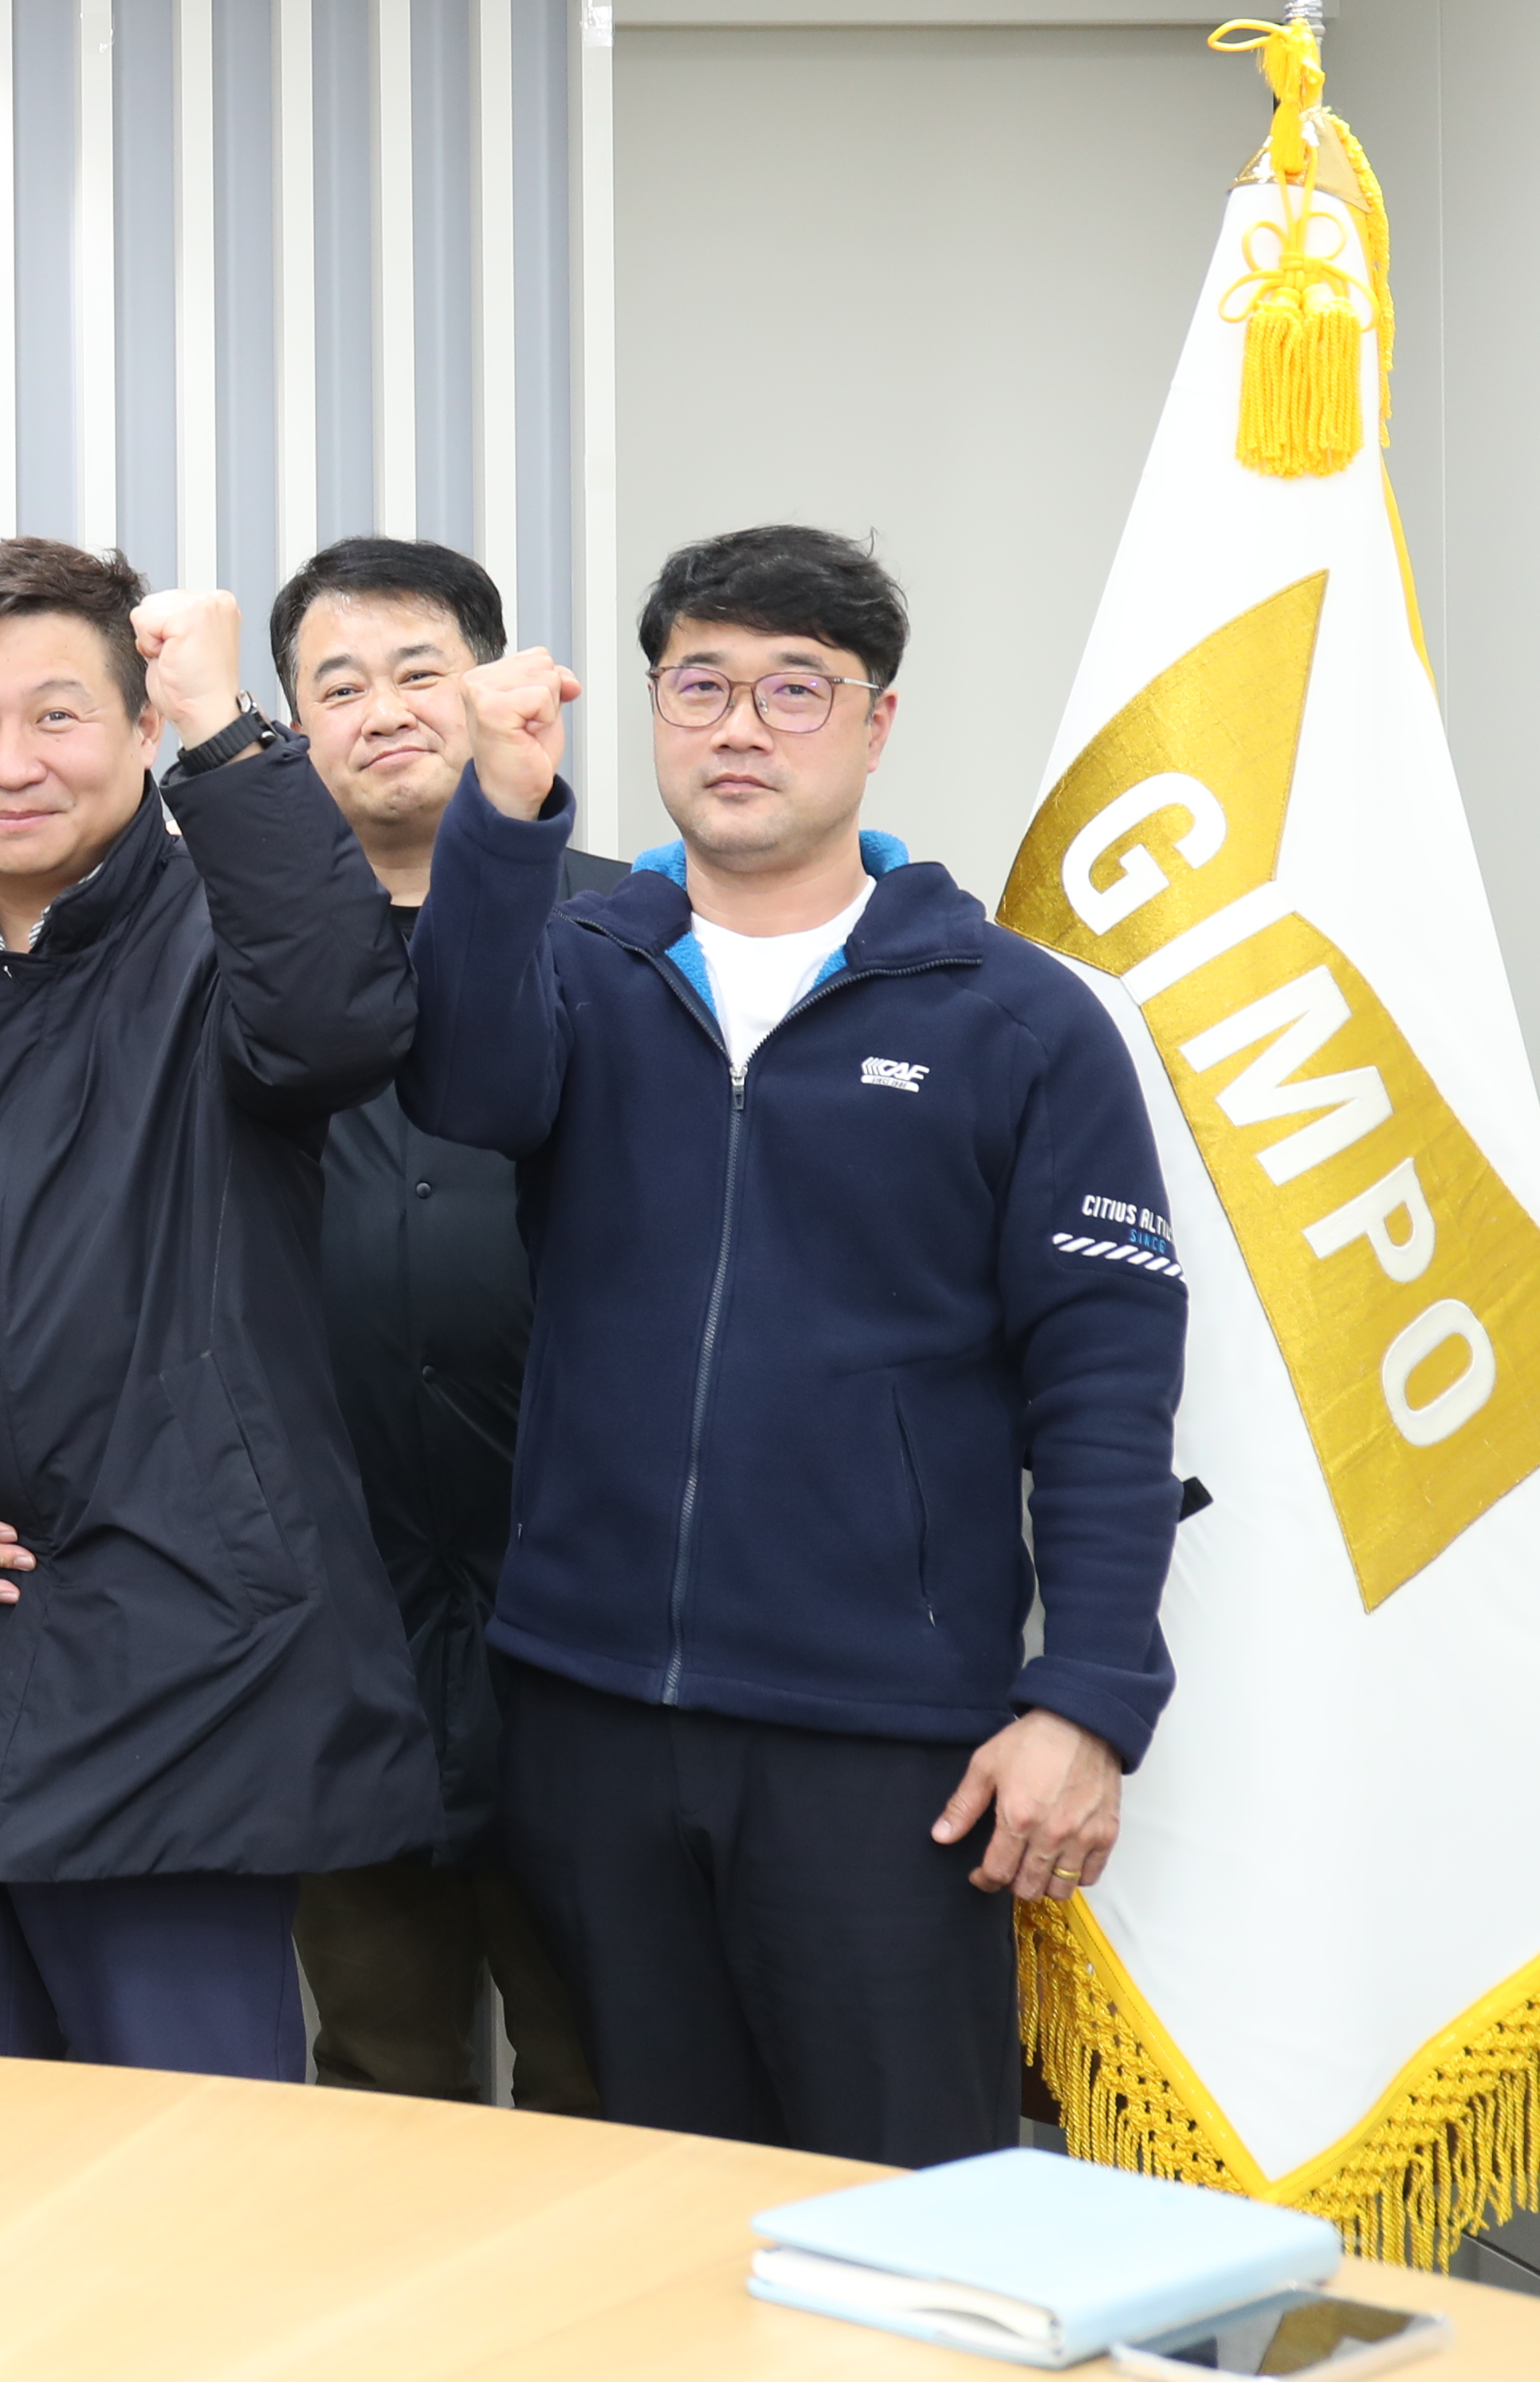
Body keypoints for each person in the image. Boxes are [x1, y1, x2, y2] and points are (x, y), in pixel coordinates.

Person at [406, 524, 1186, 2166]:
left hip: (885, 1743)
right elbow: (462, 1085)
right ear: (654, 711)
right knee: (655, 2195)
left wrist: (1089, 1700)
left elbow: (1108, 1382)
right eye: (700, 686)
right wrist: (503, 816)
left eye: (795, 689)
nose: (741, 727)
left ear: (877, 722)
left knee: (907, 2202)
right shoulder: (582, 964)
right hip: (590, 1714)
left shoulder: (1017, 1017)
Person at [0, 537, 436, 2077]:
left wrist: (233, 736)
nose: (11, 761)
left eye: (60, 715)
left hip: (172, 1692)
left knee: (190, 2180)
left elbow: (339, 1021)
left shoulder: (227, 942)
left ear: (142, 727)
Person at [267, 535, 611, 2113]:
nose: (383, 709)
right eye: (337, 685)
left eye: (421, 671)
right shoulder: (240, 950)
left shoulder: (630, 929)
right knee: (377, 2070)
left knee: (608, 2066)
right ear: (290, 728)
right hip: (334, 1615)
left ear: (491, 688)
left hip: (584, 1606)